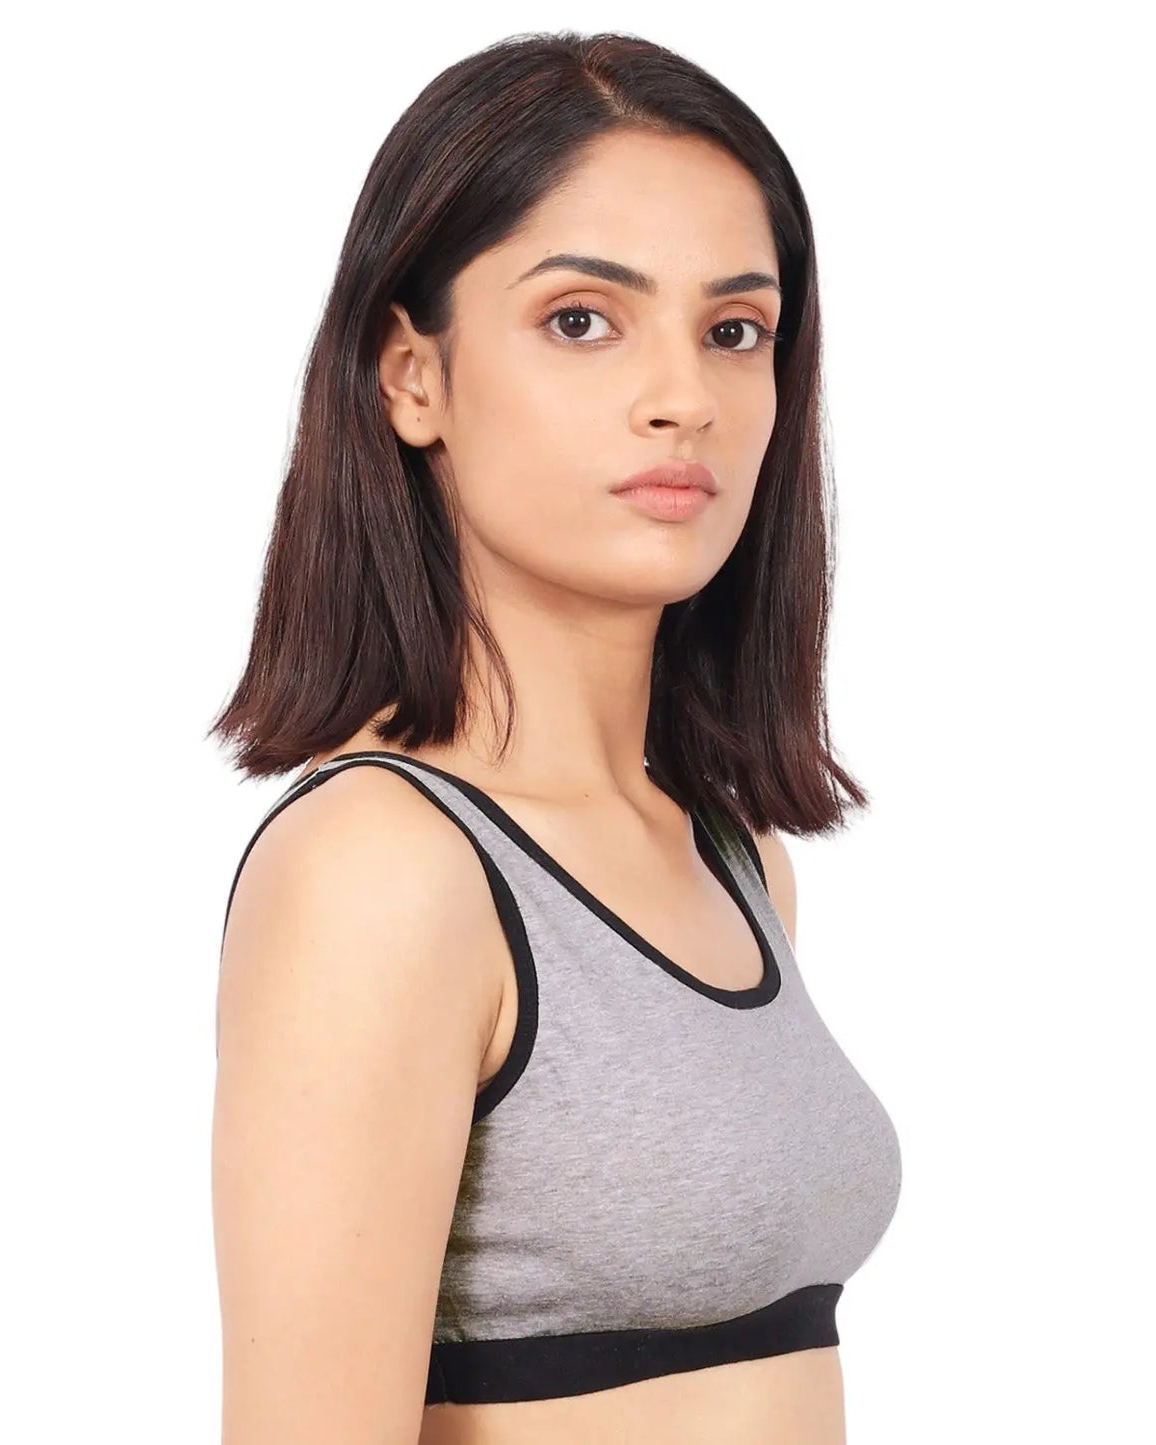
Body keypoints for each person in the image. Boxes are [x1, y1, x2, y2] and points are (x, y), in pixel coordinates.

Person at [209, 29, 901, 1445]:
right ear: (411, 376)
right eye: (582, 319)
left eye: (735, 330)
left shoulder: (734, 859)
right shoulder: (383, 869)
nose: (683, 397)